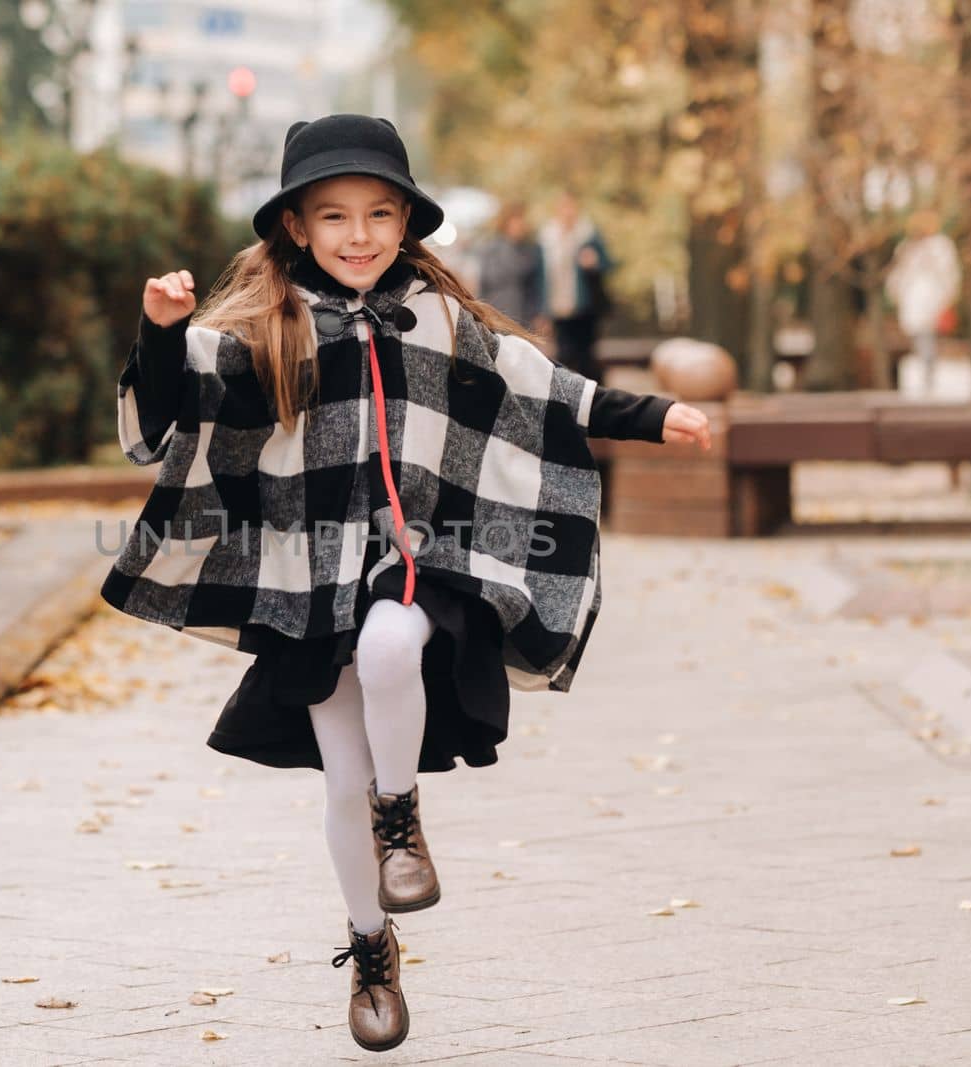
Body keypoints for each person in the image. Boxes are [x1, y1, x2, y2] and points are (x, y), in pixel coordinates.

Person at [101, 114, 711, 1054]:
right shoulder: (262, 329)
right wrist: (158, 329)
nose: (359, 234)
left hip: (420, 553)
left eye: (380, 213)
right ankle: (370, 942)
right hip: (305, 579)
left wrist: (655, 414)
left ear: (406, 222)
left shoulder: (436, 316)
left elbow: (541, 385)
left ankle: (402, 818)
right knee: (337, 778)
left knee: (393, 643)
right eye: (334, 215)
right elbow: (161, 415)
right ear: (296, 227)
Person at [538, 191, 614, 382]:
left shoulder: (588, 234)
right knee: (564, 355)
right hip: (559, 308)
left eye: (571, 207)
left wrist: (594, 262)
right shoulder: (547, 238)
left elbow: (608, 264)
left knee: (587, 356)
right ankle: (571, 402)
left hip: (585, 307)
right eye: (564, 208)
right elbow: (542, 277)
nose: (568, 212)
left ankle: (596, 400)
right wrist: (542, 310)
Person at [884, 211, 960, 393]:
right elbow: (898, 275)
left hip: (931, 299)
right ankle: (925, 372)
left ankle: (928, 374)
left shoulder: (940, 246)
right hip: (914, 300)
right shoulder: (907, 248)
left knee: (926, 336)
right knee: (920, 336)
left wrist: (947, 296)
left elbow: (948, 273)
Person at [475, 201, 546, 332]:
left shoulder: (531, 250)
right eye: (516, 221)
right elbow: (484, 285)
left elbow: (537, 286)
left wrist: (539, 314)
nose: (520, 225)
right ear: (506, 223)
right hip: (497, 314)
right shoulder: (491, 249)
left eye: (522, 221)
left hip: (524, 316)